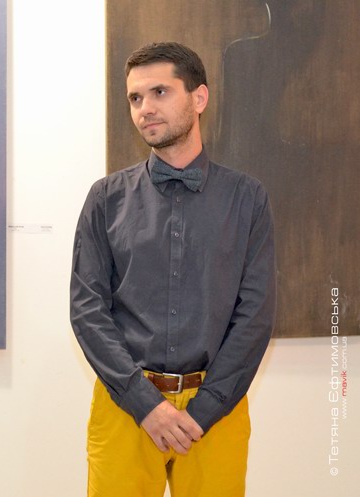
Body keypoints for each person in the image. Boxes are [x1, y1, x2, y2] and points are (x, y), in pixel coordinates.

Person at [70, 42, 276, 497]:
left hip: (216, 411)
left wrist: (205, 410)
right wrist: (145, 405)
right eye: (135, 98)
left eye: (159, 92)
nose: (144, 108)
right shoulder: (105, 199)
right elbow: (87, 311)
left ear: (199, 98)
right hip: (125, 407)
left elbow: (255, 315)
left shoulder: (247, 199)